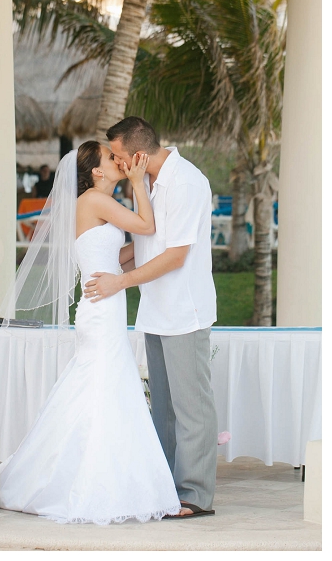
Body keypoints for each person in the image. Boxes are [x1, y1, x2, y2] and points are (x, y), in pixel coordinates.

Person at [0, 141, 181, 525]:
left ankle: (108, 479)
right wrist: (137, 183)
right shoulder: (94, 200)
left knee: (103, 387)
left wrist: (134, 267)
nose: (118, 160)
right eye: (110, 158)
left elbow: (120, 257)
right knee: (102, 386)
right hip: (100, 310)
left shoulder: (97, 205)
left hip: (106, 305)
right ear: (96, 171)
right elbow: (146, 226)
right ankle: (91, 483)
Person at [85, 116, 218, 519]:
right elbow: (145, 242)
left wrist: (119, 282)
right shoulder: (148, 185)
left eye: (120, 156)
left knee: (191, 406)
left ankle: (195, 495)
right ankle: (165, 488)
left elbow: (176, 255)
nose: (118, 163)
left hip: (184, 309)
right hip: (156, 309)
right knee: (162, 406)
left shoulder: (185, 183)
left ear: (138, 155)